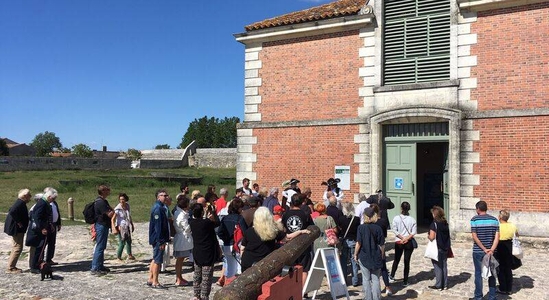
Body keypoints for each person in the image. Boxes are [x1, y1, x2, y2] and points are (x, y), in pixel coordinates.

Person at [241, 207, 310, 272]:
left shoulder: (249, 231)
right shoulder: (272, 231)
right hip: (263, 264)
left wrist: (242, 259)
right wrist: (300, 231)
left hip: (247, 262)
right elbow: (288, 238)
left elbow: (242, 248)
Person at [189, 201, 220, 300]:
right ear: (202, 212)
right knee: (206, 277)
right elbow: (216, 224)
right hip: (207, 253)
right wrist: (212, 214)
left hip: (197, 252)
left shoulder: (192, 222)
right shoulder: (207, 223)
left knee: (197, 275)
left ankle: (196, 295)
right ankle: (204, 296)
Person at [470, 201, 499, 300]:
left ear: (478, 209)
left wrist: (484, 249)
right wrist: (491, 250)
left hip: (478, 250)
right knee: (492, 274)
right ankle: (492, 296)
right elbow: (497, 237)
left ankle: (478, 296)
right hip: (491, 251)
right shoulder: (494, 220)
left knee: (478, 273)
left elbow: (475, 236)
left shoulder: (474, 220)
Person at [354, 207, 385, 300]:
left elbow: (358, 243)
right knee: (376, 279)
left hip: (364, 256)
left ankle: (368, 298)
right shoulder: (378, 228)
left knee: (366, 279)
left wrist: (355, 254)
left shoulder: (361, 228)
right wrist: (382, 255)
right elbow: (382, 245)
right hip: (376, 256)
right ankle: (377, 298)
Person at [282, 193, 313, 284]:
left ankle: (291, 290)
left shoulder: (286, 214)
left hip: (289, 244)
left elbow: (283, 228)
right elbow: (311, 228)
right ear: (301, 203)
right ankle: (302, 293)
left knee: (289, 269)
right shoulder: (305, 214)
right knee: (304, 269)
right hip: (303, 245)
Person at [26, 188, 55, 274]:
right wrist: (42, 228)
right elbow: (37, 217)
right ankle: (34, 266)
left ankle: (37, 265)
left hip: (44, 228)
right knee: (39, 248)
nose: (53, 201)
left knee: (40, 249)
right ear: (49, 197)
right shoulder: (42, 203)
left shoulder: (44, 203)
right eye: (52, 199)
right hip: (40, 230)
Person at [216, 198, 245, 285]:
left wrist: (225, 239)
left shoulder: (225, 218)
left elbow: (220, 232)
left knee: (229, 267)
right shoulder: (240, 219)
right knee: (239, 268)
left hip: (227, 245)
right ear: (239, 208)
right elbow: (245, 232)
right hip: (237, 245)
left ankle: (227, 285)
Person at [147, 189, 171, 289]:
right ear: (158, 197)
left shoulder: (162, 207)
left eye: (166, 195)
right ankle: (155, 282)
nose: (166, 197)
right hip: (158, 239)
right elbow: (158, 227)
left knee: (155, 258)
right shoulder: (158, 209)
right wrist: (161, 240)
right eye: (163, 195)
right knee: (158, 260)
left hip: (158, 238)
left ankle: (150, 278)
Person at [390, 201, 417, 286]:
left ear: (401, 208)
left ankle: (392, 276)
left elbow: (394, 230)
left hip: (399, 241)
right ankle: (405, 281)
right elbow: (413, 232)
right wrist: (406, 238)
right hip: (408, 242)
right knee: (407, 261)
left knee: (396, 260)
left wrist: (401, 238)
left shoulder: (396, 218)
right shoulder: (412, 220)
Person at [4, 189, 31, 273]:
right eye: (29, 196)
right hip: (17, 229)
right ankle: (10, 267)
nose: (30, 198)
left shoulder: (20, 203)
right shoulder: (20, 203)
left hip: (17, 229)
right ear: (25, 196)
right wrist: (18, 222)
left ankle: (11, 266)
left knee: (15, 246)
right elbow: (12, 211)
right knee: (18, 247)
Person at [91, 185, 114, 276]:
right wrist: (114, 210)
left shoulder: (104, 201)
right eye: (107, 190)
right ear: (103, 191)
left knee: (102, 246)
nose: (109, 191)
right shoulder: (101, 202)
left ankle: (100, 265)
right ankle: (95, 267)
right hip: (101, 225)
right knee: (99, 247)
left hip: (104, 225)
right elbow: (110, 214)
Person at [428, 206, 451, 291]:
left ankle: (438, 285)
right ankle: (444, 284)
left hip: (437, 247)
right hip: (445, 247)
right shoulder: (445, 223)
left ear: (434, 214)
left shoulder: (434, 224)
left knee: (437, 267)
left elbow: (432, 237)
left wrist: (428, 236)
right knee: (444, 266)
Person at [338, 201, 361, 287]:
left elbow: (340, 231)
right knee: (354, 261)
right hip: (353, 241)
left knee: (343, 261)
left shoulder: (341, 219)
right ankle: (355, 280)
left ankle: (344, 279)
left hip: (344, 241)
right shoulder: (356, 219)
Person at [495, 210, 517, 295]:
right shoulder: (512, 225)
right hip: (509, 246)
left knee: (501, 268)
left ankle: (503, 288)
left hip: (500, 246)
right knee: (508, 268)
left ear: (500, 217)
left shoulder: (498, 226)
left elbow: (496, 236)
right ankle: (509, 288)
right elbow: (517, 234)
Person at [173, 193, 193, 287]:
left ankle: (179, 277)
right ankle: (178, 278)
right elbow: (187, 228)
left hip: (181, 237)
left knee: (181, 260)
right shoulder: (182, 216)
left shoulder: (179, 212)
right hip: (182, 238)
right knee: (180, 260)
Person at [113, 193, 135, 261]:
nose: (122, 201)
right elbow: (113, 219)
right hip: (121, 226)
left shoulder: (127, 206)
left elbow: (129, 215)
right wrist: (115, 227)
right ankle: (118, 257)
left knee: (129, 240)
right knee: (122, 242)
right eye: (120, 199)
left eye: (123, 199)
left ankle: (130, 254)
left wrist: (132, 224)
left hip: (127, 225)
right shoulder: (118, 209)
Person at [44, 187, 61, 266]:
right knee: (45, 242)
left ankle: (49, 258)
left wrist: (58, 223)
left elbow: (57, 213)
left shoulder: (54, 203)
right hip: (48, 225)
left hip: (54, 224)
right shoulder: (45, 203)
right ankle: (42, 260)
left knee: (52, 243)